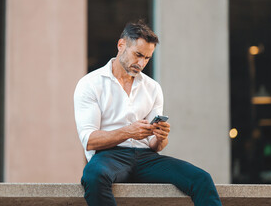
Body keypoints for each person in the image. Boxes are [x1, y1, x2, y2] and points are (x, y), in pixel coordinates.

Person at [74, 20, 222, 206]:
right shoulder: (90, 84)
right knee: (93, 176)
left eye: (147, 58)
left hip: (146, 158)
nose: (141, 63)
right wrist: (129, 131)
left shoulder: (152, 88)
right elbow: (89, 140)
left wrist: (160, 138)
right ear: (121, 45)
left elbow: (155, 146)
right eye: (138, 55)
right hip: (109, 156)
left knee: (201, 178)